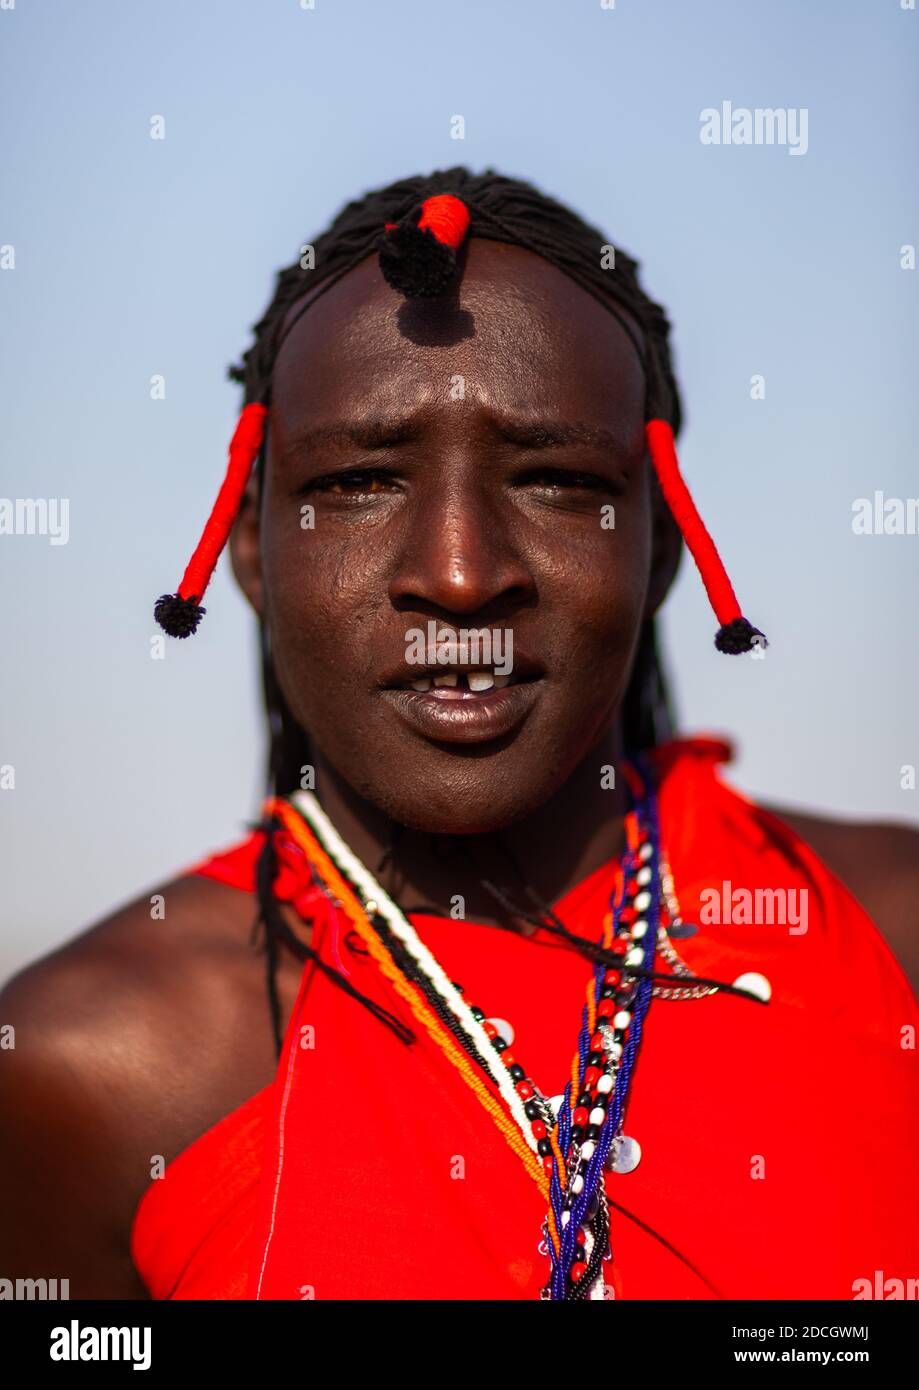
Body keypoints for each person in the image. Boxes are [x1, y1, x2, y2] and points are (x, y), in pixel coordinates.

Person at [2, 169, 917, 1301]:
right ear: (249, 553)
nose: (459, 573)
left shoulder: (885, 936)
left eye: (555, 480)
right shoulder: (88, 1069)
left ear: (662, 552)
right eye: (358, 482)